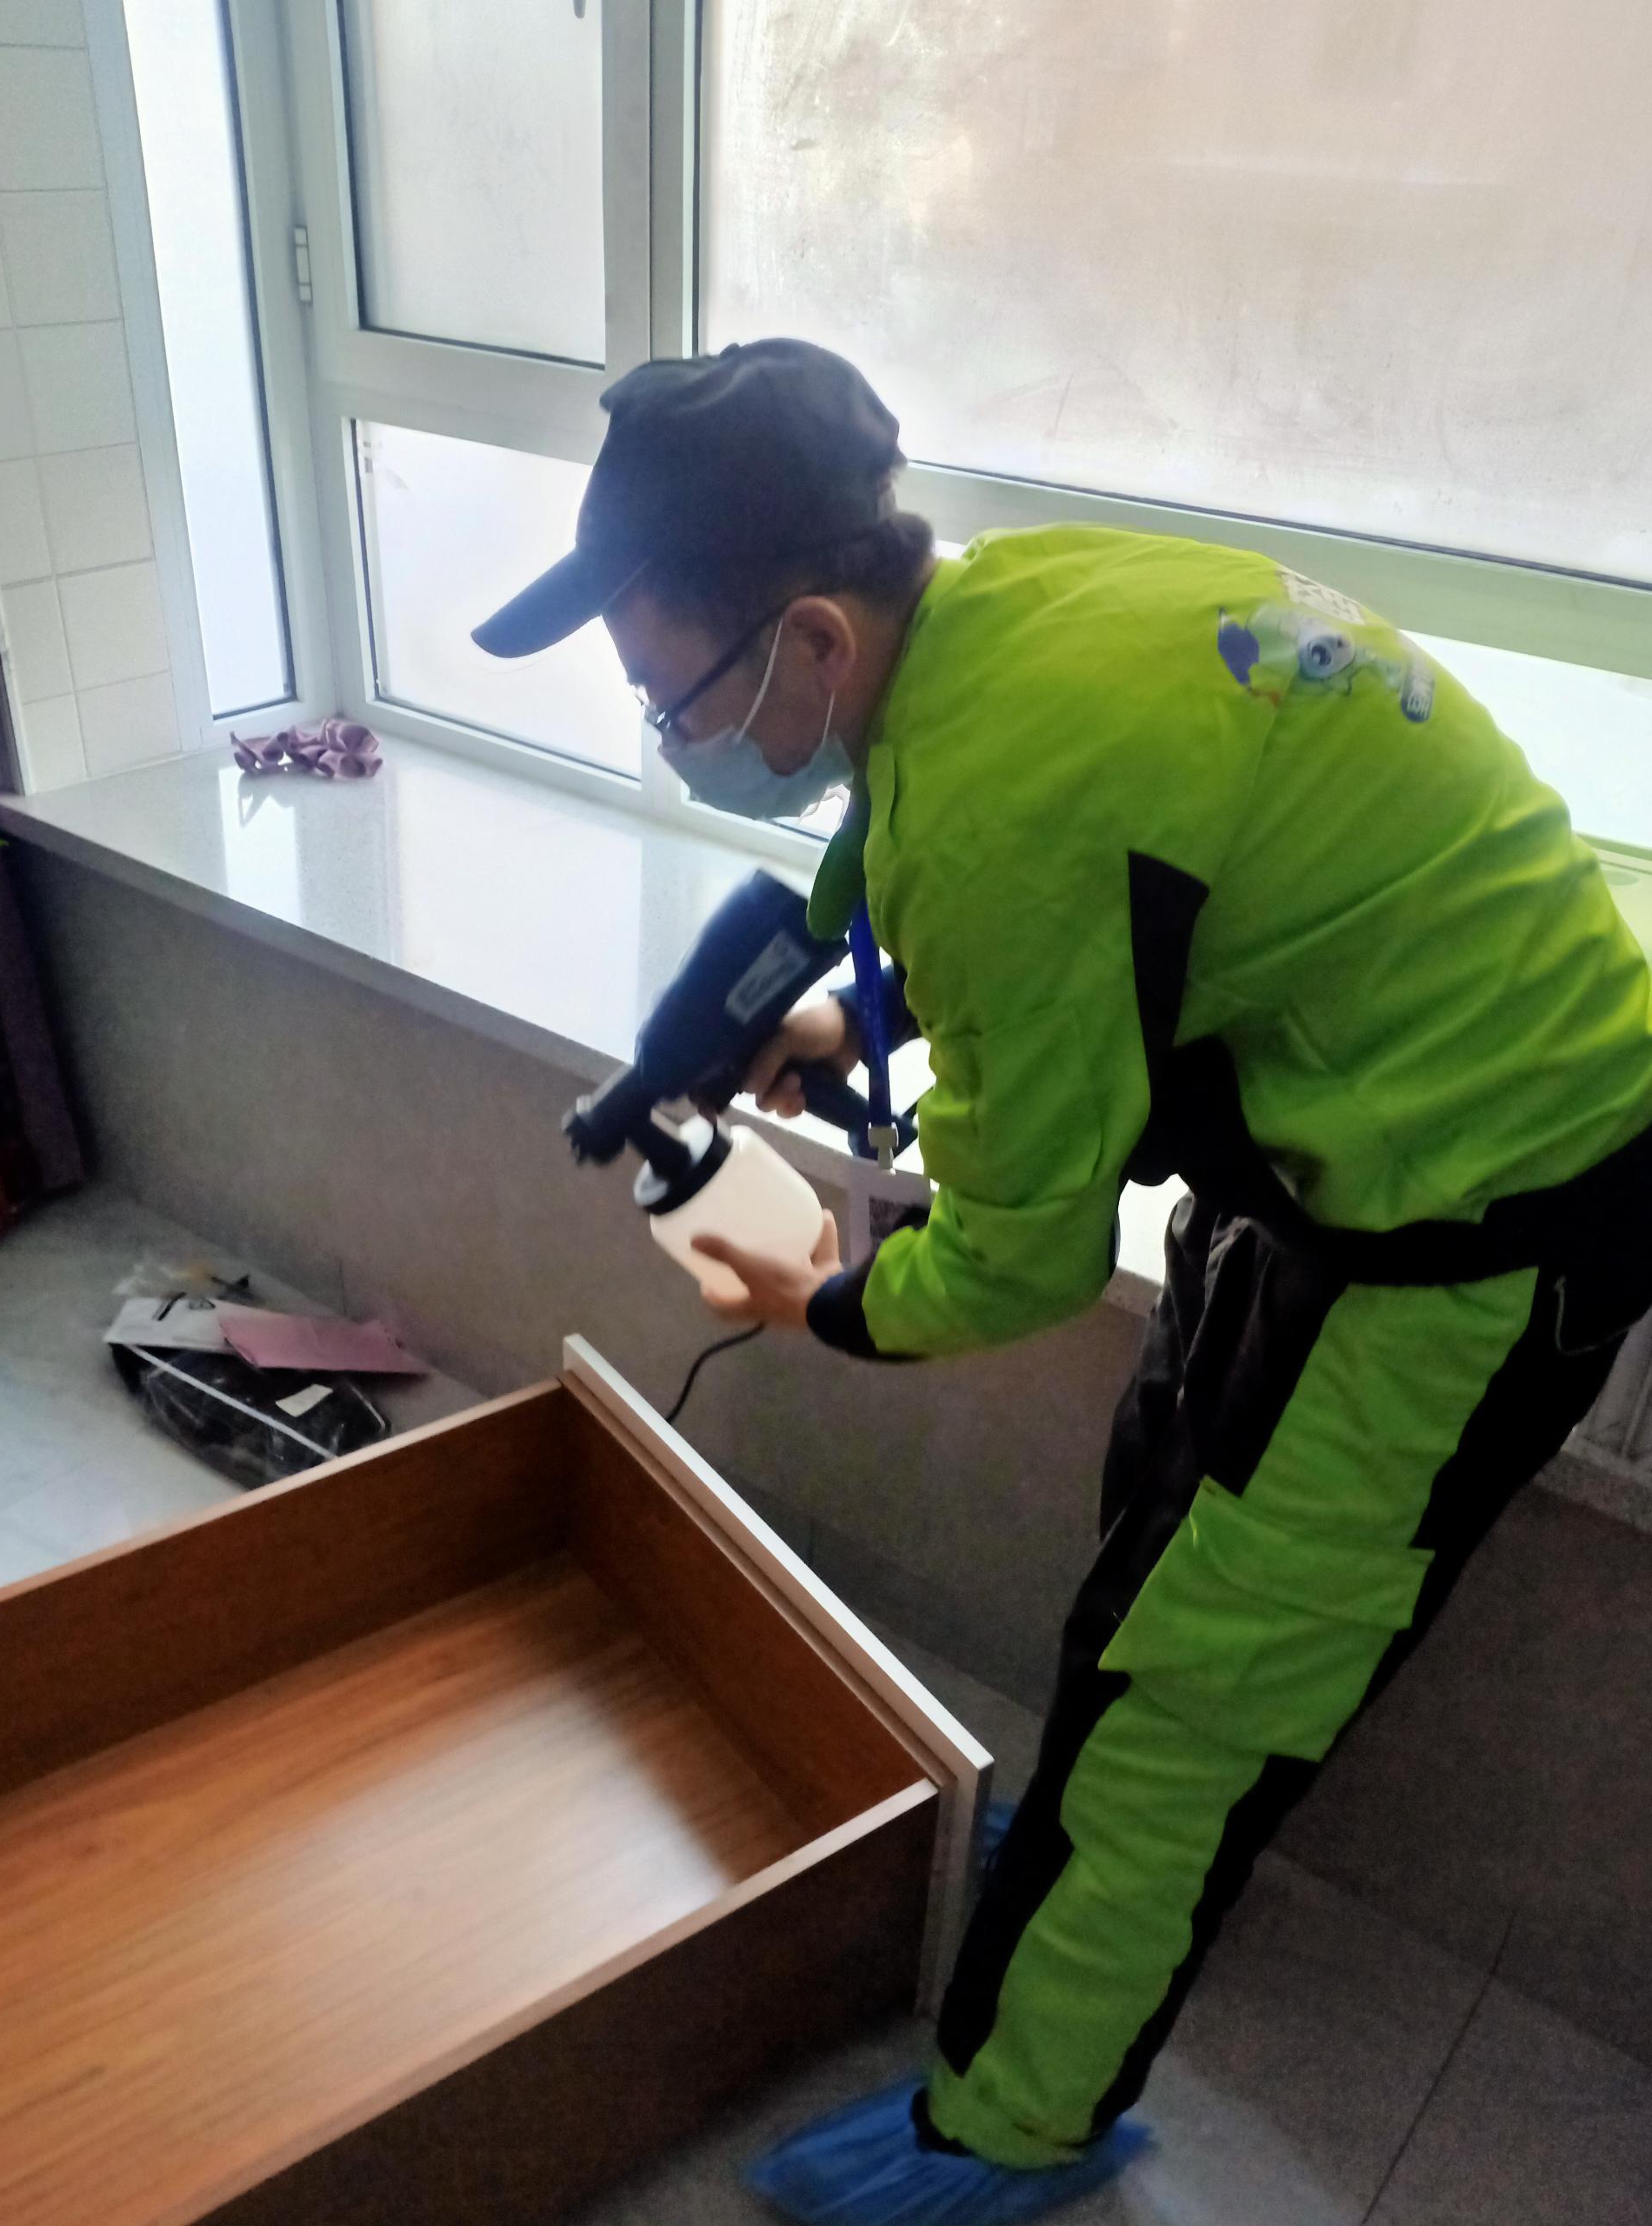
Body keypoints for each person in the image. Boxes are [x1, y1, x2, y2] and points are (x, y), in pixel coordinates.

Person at [475, 339, 1652, 2225]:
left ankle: (1018, 2124)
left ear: (811, 639)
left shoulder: (1001, 793)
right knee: (1165, 1494)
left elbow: (1012, 1257)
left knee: (1200, 1684)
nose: (665, 731)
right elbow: (1009, 867)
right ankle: (1099, 1847)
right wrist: (848, 1011)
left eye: (666, 692)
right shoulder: (993, 615)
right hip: (1348, 1110)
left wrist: (811, 1298)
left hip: (1481, 1206)